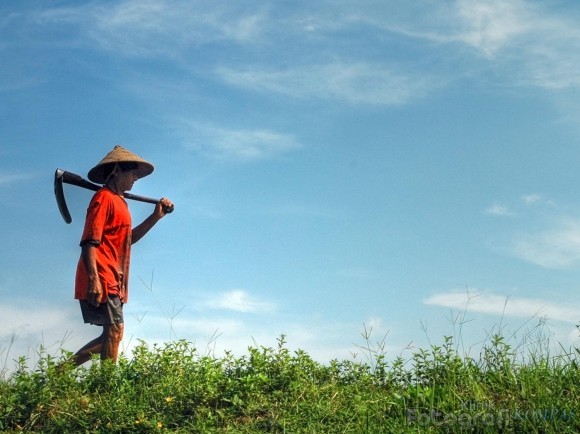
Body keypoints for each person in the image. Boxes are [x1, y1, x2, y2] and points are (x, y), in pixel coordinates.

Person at [69, 145, 173, 366]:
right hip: (101, 275)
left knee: (110, 337)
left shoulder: (121, 203)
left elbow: (128, 240)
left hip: (115, 279)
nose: (135, 178)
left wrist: (156, 217)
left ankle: (57, 374)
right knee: (115, 331)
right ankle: (107, 389)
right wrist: (95, 280)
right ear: (117, 170)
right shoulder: (103, 198)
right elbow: (89, 241)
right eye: (132, 173)